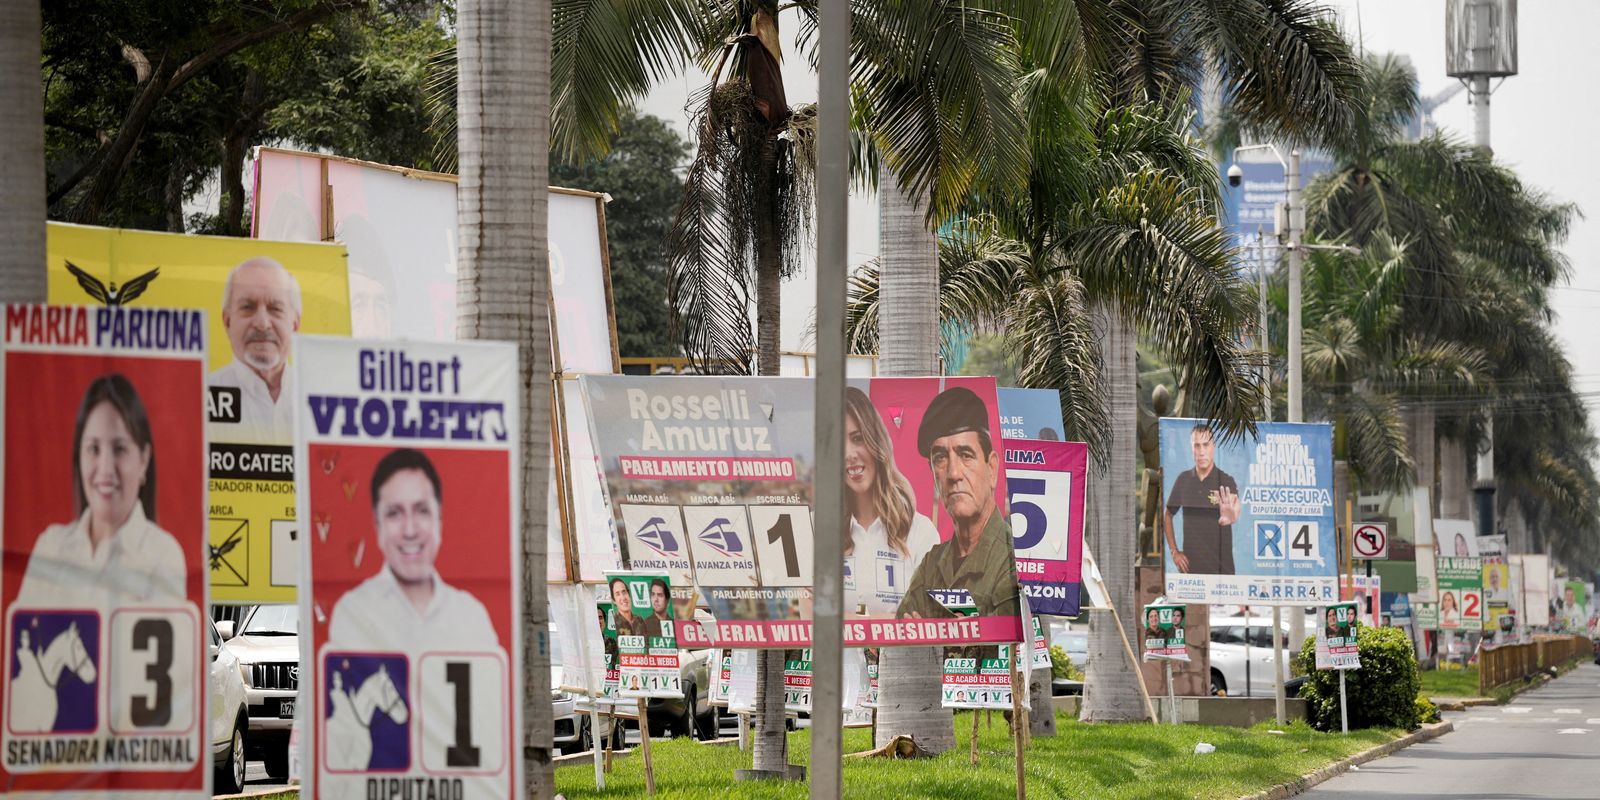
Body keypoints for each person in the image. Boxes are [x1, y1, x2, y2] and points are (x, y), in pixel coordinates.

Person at [14, 374, 185, 610]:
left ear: (144, 460)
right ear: (79, 457)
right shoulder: (50, 546)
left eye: (120, 449)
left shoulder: (163, 554)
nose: (105, 469)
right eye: (93, 449)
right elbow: (24, 642)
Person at [326, 449, 498, 654]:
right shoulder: (353, 612)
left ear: (439, 520)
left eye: (422, 510)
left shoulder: (471, 616)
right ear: (377, 525)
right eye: (394, 513)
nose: (409, 530)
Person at [895, 387, 1022, 620]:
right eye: (940, 458)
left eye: (966, 454)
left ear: (992, 468)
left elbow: (1019, 644)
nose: (953, 473)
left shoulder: (1016, 559)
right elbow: (902, 639)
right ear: (933, 473)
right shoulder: (932, 564)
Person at [841, 386, 939, 617]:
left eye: (858, 438)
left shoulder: (920, 531)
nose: (849, 454)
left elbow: (950, 606)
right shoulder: (814, 529)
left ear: (876, 443)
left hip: (902, 653)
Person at [207, 257, 302, 443]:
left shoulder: (316, 399)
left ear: (295, 325)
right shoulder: (200, 399)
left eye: (275, 308)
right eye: (248, 307)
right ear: (227, 321)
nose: (262, 324)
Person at [1163, 424, 1241, 574]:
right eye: (1197, 446)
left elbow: (1236, 507)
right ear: (1191, 448)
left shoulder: (1225, 480)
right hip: (1191, 572)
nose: (1201, 452)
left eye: (1206, 445)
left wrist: (1233, 515)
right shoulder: (1183, 479)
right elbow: (1168, 514)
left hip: (1222, 572)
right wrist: (1174, 552)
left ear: (1214, 446)